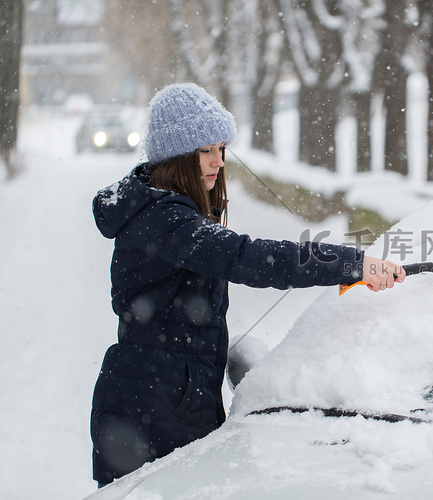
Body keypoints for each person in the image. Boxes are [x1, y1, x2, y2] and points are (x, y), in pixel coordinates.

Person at [90, 83, 404, 486]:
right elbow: (249, 258)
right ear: (176, 156)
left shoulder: (168, 211)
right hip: (148, 413)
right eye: (206, 150)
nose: (219, 161)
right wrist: (353, 264)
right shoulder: (164, 220)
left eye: (221, 149)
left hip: (165, 400)